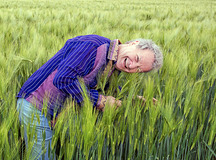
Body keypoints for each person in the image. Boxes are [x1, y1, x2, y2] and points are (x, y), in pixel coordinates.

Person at [16, 35, 163, 159]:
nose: (132, 66)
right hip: (35, 104)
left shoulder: (113, 65)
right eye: (137, 58)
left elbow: (107, 89)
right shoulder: (93, 46)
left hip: (55, 114)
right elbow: (63, 79)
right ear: (134, 43)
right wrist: (99, 100)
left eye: (138, 69)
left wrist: (132, 99)